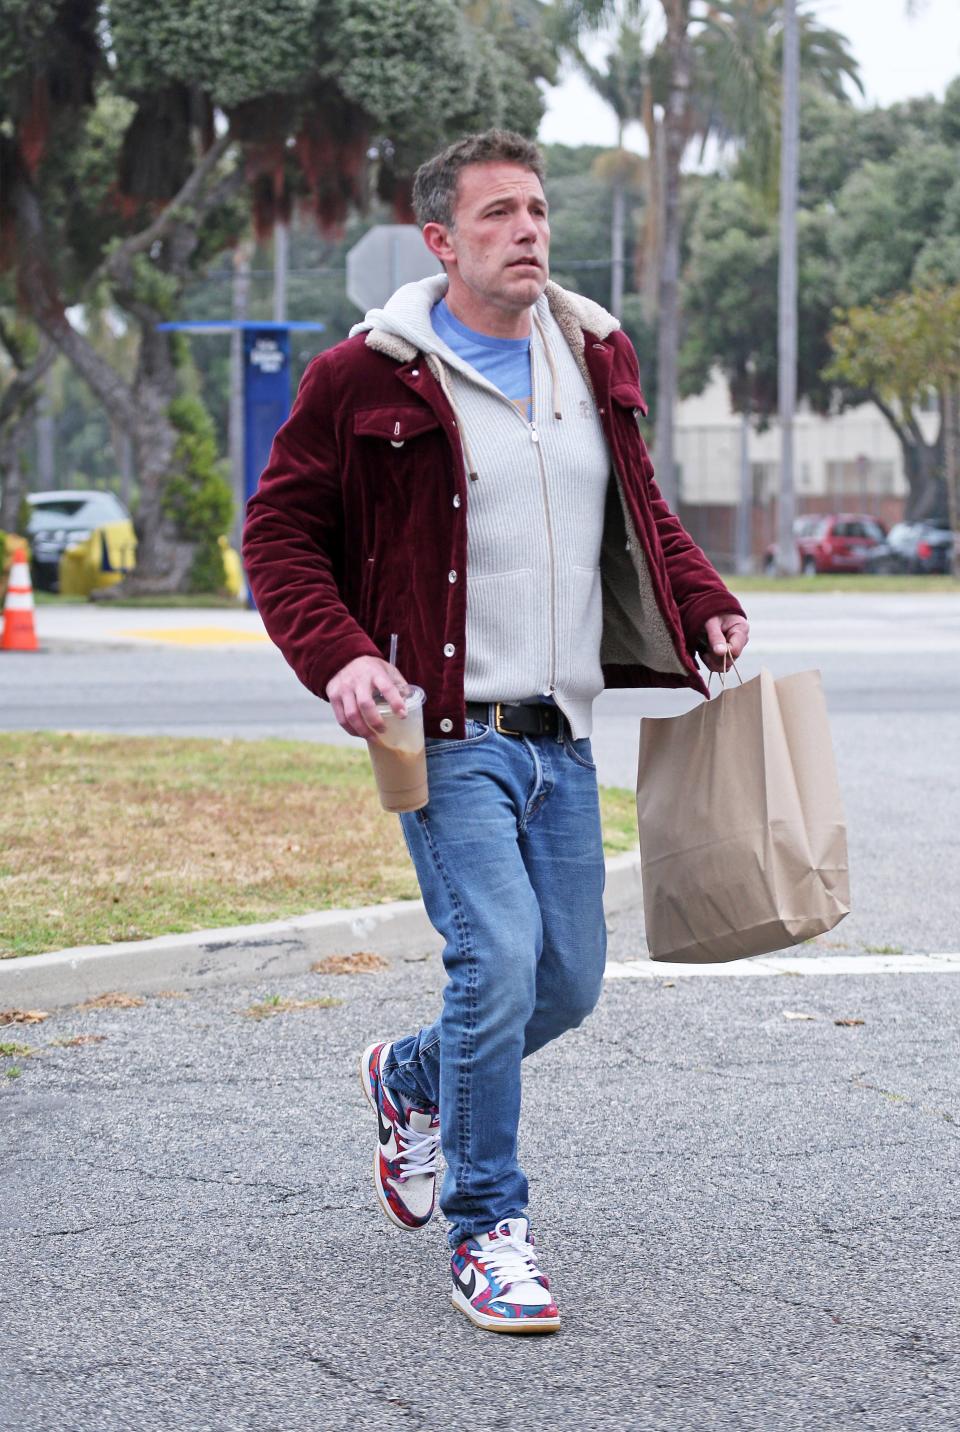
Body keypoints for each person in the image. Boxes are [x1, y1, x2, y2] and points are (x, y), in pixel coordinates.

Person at [242, 129, 749, 1335]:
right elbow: (278, 537)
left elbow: (642, 510)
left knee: (566, 984)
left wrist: (706, 603)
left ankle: (411, 1074)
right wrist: (344, 655)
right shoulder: (365, 376)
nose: (528, 230)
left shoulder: (592, 352)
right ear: (439, 241)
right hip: (446, 732)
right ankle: (490, 1229)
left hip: (561, 734)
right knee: (497, 961)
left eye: (537, 210)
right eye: (497, 215)